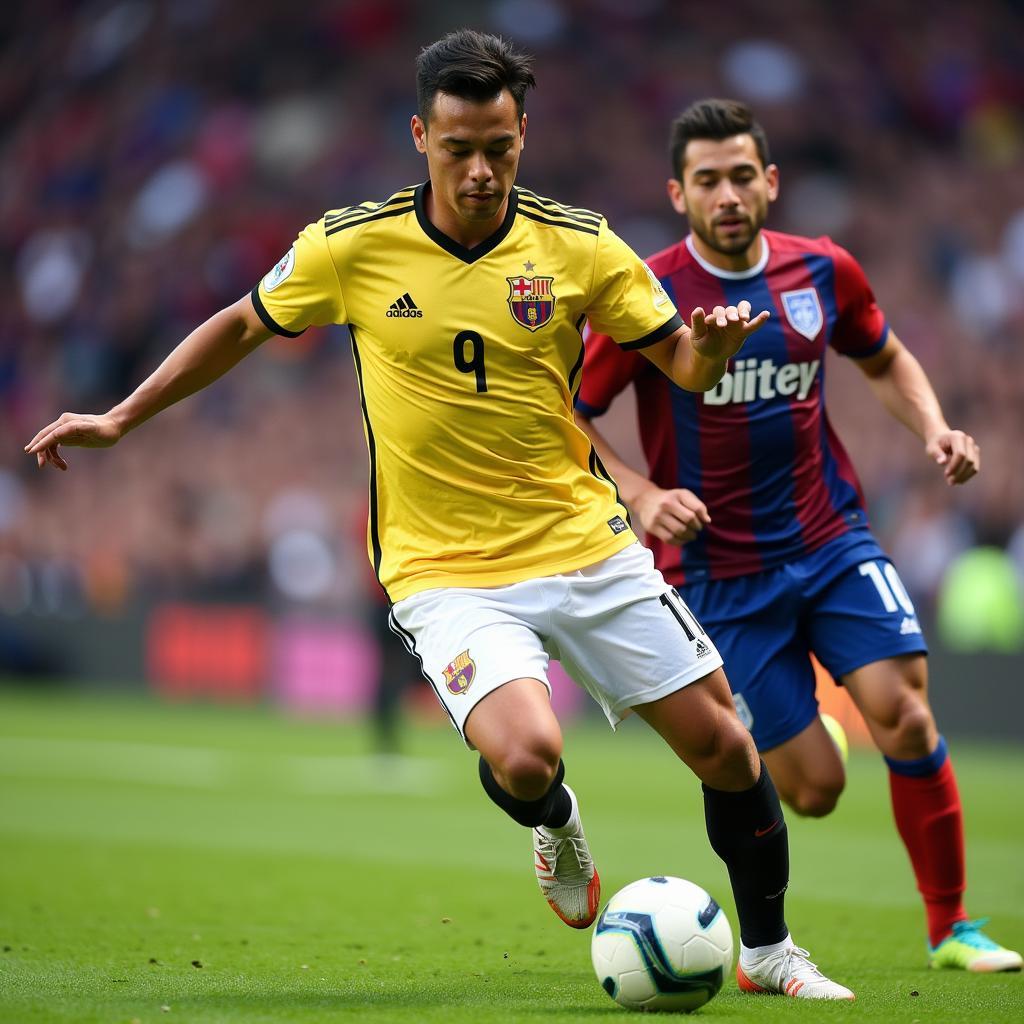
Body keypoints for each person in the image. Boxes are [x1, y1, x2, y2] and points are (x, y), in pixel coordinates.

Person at [26, 34, 854, 999]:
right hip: (444, 566)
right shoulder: (353, 246)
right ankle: (553, 823)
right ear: (420, 134)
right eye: (458, 146)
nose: (479, 169)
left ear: (522, 135)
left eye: (498, 147)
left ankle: (767, 951)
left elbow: (682, 365)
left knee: (725, 746)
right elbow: (247, 322)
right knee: (527, 751)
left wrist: (709, 352)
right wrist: (124, 415)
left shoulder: (578, 245)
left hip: (583, 539)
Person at [575, 97, 1021, 974]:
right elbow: (573, 413)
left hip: (830, 539)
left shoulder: (823, 271)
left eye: (743, 175)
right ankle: (803, 724)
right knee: (815, 789)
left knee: (906, 711)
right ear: (680, 194)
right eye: (708, 181)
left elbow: (883, 355)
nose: (729, 194)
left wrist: (931, 427)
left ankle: (952, 926)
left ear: (771, 181)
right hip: (717, 579)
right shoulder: (649, 293)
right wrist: (638, 492)